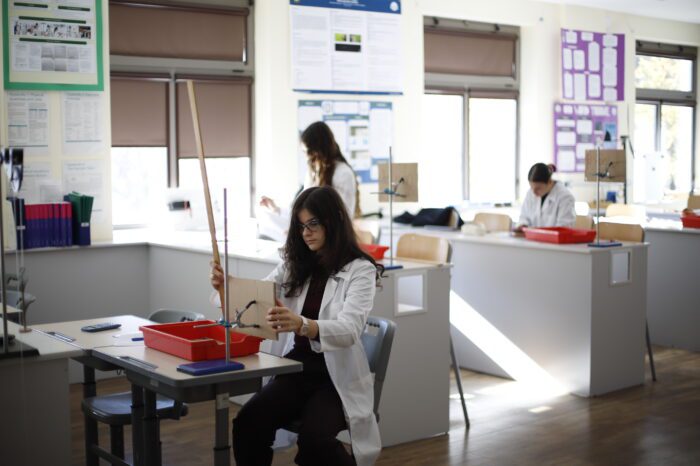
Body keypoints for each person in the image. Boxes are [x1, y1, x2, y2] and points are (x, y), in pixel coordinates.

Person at [211, 186, 382, 466]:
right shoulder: (295, 264)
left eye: (313, 223)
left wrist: (303, 325)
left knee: (315, 441)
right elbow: (257, 297)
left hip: (335, 378)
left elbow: (350, 329)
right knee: (248, 424)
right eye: (301, 226)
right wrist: (225, 287)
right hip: (297, 369)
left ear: (334, 220)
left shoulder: (361, 270)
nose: (306, 233)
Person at [260, 121, 360, 221]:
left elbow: (343, 218)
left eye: (309, 152)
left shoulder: (343, 173)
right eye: (304, 152)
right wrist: (276, 209)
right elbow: (302, 209)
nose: (308, 158)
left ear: (321, 150)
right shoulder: (313, 173)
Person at [517, 163, 576, 229]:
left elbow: (564, 227)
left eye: (538, 188)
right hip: (531, 235)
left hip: (552, 235)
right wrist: (523, 225)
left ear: (549, 182)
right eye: (531, 187)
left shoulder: (565, 197)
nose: (534, 192)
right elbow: (524, 217)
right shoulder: (530, 193)